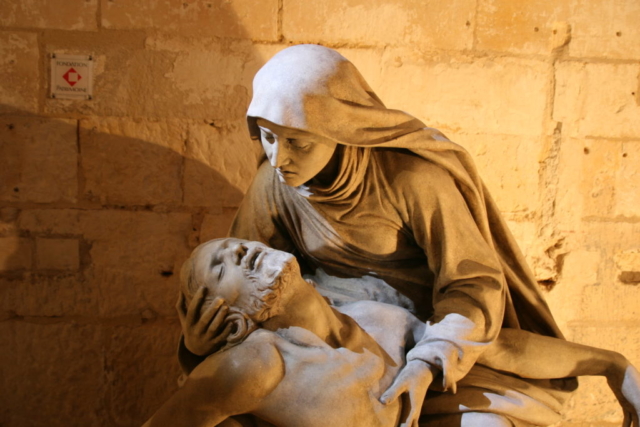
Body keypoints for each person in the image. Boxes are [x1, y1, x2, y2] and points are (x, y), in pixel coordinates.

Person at [178, 44, 630, 426]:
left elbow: (472, 285)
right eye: (268, 138)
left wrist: (430, 359)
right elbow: (243, 286)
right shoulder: (274, 188)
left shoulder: (411, 180)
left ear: (342, 127)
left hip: (428, 339)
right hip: (331, 352)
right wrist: (198, 346)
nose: (279, 159)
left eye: (299, 142)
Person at [147, 238, 640, 427]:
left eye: (235, 243)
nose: (237, 250)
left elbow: (496, 349)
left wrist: (611, 364)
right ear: (228, 317)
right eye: (219, 266)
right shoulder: (257, 363)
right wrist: (196, 355)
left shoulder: (381, 320)